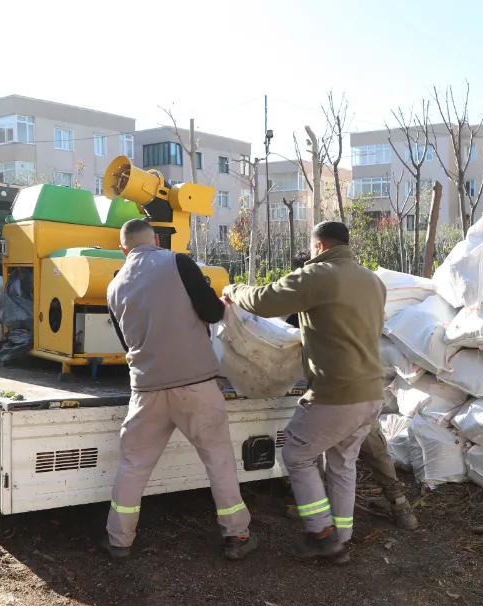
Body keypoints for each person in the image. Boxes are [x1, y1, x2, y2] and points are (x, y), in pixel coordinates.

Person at [223, 221, 385, 563]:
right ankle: (341, 538)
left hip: (336, 392)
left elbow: (265, 301)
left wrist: (232, 290)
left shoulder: (319, 274)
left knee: (296, 453)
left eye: (312, 249)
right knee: (343, 464)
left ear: (320, 247)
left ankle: (320, 533)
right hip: (371, 391)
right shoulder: (372, 281)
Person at [103, 218, 258, 561]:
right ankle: (238, 536)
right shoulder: (178, 262)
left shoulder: (113, 286)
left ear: (123, 249)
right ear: (157, 240)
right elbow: (211, 312)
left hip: (146, 389)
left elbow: (125, 341)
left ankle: (119, 540)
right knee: (218, 460)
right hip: (196, 385)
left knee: (133, 465)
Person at [284, 253, 417, 532]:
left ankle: (322, 519)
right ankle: (399, 506)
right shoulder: (358, 301)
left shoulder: (311, 306)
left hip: (338, 395)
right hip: (365, 392)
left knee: (315, 452)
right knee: (368, 452)